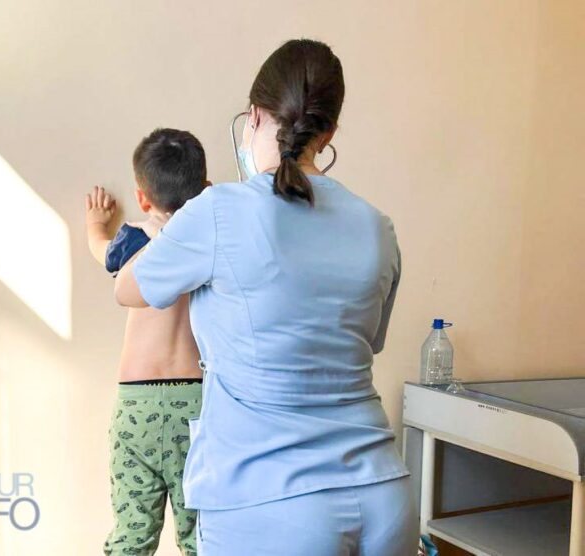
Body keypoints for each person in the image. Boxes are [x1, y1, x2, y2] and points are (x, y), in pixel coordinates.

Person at [113, 40, 418, 555]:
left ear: (253, 117)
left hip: (270, 502)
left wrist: (173, 224)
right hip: (384, 494)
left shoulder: (219, 210)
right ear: (329, 132)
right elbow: (367, 344)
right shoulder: (377, 227)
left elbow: (128, 288)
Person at [85, 128, 211, 556]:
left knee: (132, 531)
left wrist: (95, 224)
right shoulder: (206, 245)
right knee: (199, 533)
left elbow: (102, 251)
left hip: (136, 403)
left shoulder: (136, 238)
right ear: (205, 189)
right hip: (196, 404)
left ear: (142, 198)